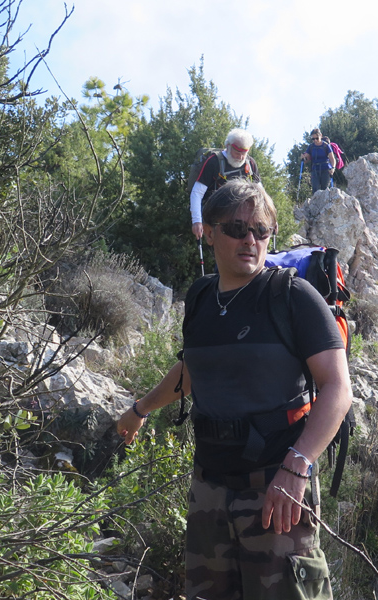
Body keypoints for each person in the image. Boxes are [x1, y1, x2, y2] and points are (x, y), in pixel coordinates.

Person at [118, 178, 352, 600]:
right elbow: (193, 369)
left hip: (275, 485)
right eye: (237, 228)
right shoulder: (202, 297)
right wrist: (141, 409)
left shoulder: (292, 296)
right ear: (209, 233)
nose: (251, 240)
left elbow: (337, 388)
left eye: (261, 230)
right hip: (209, 484)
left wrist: (296, 467)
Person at [190, 128, 261, 239]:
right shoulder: (213, 161)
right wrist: (197, 221)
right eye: (237, 152)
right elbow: (197, 193)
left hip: (238, 214)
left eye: (244, 153)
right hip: (214, 212)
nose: (240, 157)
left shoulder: (250, 163)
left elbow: (260, 194)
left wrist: (270, 218)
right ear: (228, 146)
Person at [301, 128, 335, 193]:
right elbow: (306, 160)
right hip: (315, 170)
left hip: (325, 170)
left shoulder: (326, 146)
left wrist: (333, 168)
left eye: (317, 138)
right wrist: (303, 158)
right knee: (315, 189)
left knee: (325, 190)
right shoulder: (311, 147)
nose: (315, 140)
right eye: (313, 139)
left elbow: (332, 159)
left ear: (321, 136)